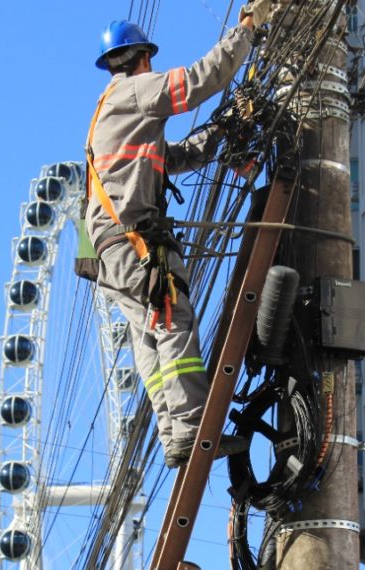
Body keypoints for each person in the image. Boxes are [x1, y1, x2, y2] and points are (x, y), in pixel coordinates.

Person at [85, 1, 273, 468]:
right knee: (173, 320)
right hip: (132, 240)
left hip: (110, 250)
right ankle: (189, 428)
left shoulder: (113, 112)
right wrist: (245, 30)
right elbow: (196, 81)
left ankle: (174, 434)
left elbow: (177, 156)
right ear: (142, 58)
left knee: (150, 337)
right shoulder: (134, 92)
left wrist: (223, 131)